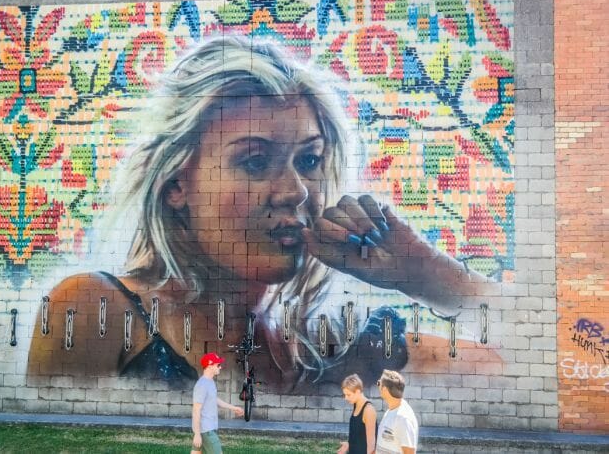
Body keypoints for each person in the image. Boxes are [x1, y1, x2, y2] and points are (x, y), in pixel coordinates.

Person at [27, 35, 496, 392]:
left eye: (308, 161)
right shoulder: (98, 309)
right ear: (176, 185)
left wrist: (423, 272)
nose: (295, 191)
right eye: (254, 161)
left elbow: (538, 369)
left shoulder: (340, 345)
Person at [191, 352, 243, 454]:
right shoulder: (202, 385)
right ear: (210, 366)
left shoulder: (210, 382)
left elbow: (215, 399)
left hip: (207, 429)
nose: (220, 367)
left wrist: (233, 408)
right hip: (206, 431)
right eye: (218, 365)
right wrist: (197, 434)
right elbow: (196, 410)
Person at [376, 370, 418, 454]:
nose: (378, 386)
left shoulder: (403, 418)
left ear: (384, 389)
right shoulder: (392, 410)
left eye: (379, 383)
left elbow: (409, 452)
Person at [338, 374, 377, 454]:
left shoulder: (368, 410)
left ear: (358, 391)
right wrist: (348, 445)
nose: (345, 398)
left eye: (348, 395)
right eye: (345, 395)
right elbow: (359, 435)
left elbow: (371, 445)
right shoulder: (356, 405)